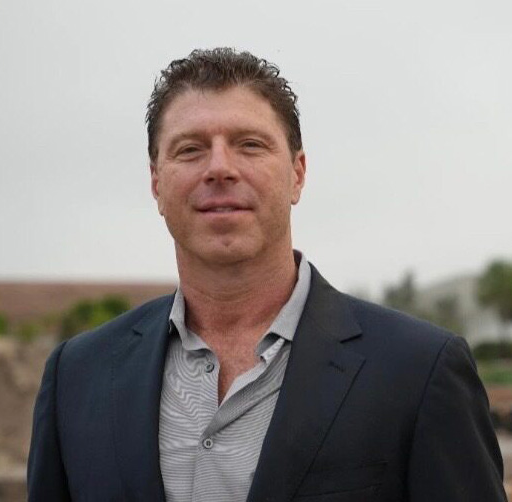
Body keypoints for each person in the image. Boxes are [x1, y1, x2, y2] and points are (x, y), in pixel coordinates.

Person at [27, 48, 506, 501]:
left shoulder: (419, 371)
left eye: (250, 145)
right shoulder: (77, 376)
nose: (219, 168)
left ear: (297, 174)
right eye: (190, 149)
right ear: (156, 182)